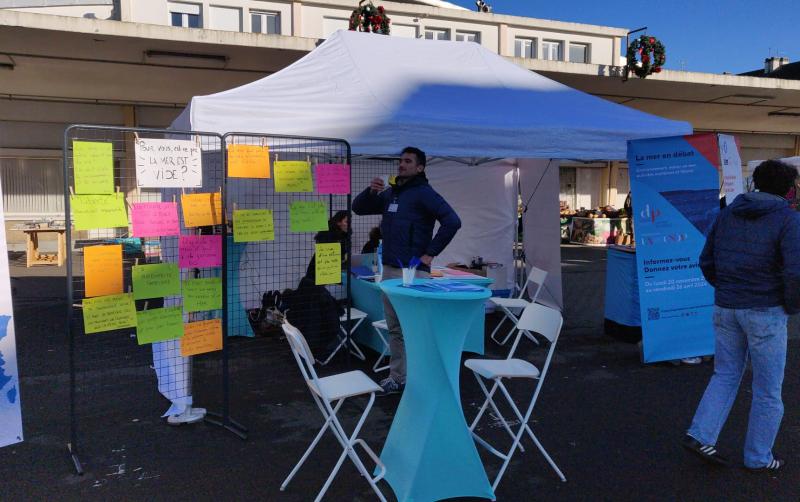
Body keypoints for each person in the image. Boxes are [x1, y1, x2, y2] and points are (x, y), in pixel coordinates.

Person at [682, 160, 800, 471]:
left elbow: (706, 260)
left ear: (756, 184)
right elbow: (795, 271)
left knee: (725, 374)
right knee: (767, 389)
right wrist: (792, 306)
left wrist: (727, 289)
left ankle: (700, 434)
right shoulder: (789, 220)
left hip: (726, 307)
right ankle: (758, 457)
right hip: (766, 311)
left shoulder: (727, 214)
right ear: (789, 189)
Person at [353, 146, 461, 395]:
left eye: (408, 161)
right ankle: (398, 376)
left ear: (420, 167)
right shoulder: (393, 193)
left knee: (415, 328)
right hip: (390, 269)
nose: (401, 164)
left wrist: (430, 253)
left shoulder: (424, 193)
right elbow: (358, 208)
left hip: (413, 272)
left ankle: (422, 378)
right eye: (400, 160)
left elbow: (452, 221)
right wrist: (371, 191)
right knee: (395, 328)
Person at [304, 210, 349, 285]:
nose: (349, 224)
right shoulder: (329, 235)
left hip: (327, 273)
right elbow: (330, 260)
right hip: (319, 273)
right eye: (346, 222)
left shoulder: (342, 236)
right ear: (338, 222)